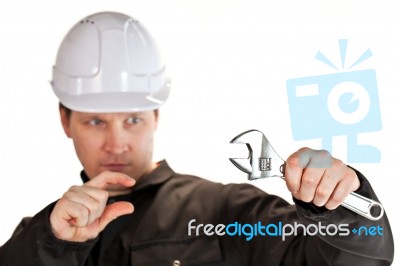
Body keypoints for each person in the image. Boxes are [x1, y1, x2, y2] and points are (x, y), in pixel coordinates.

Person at [0, 11, 394, 266]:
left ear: (156, 116)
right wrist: (53, 245)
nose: (117, 144)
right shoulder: (38, 236)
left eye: (133, 119)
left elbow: (353, 261)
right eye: (95, 122)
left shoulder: (227, 213)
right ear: (65, 120)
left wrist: (338, 203)